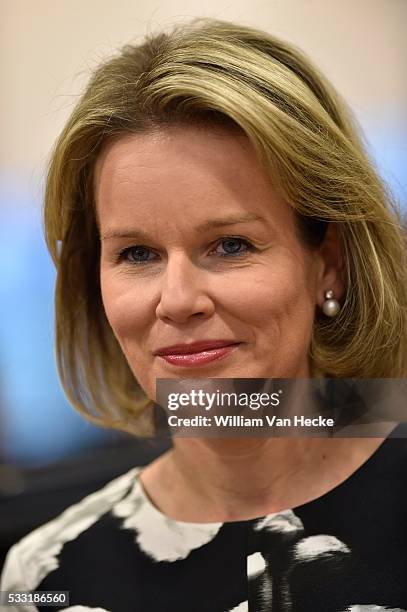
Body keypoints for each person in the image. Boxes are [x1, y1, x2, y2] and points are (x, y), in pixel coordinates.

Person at [2, 18, 407, 612]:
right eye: (136, 254)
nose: (177, 299)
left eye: (231, 245)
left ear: (329, 263)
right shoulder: (42, 577)